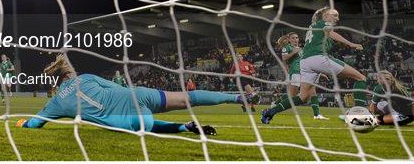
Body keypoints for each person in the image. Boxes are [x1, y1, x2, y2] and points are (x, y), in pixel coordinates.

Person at [15, 54, 251, 135]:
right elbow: (117, 89)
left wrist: (23, 123)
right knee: (186, 98)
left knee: (142, 121)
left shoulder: (56, 103)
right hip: (138, 94)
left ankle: (182, 128)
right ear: (69, 73)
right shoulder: (85, 77)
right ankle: (238, 97)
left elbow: (36, 124)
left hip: (128, 117)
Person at [262, 7, 365, 124]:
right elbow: (331, 33)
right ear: (325, 16)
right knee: (361, 77)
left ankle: (269, 112)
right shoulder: (323, 23)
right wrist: (351, 44)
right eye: (334, 15)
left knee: (303, 97)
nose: (337, 18)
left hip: (305, 62)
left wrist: (320, 71)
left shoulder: (313, 28)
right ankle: (359, 115)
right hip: (318, 58)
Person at [272, 32, 328, 120]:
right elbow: (284, 58)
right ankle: (275, 105)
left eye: (297, 38)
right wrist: (293, 52)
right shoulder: (287, 48)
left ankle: (317, 114)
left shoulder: (301, 49)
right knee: (292, 96)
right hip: (295, 72)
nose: (295, 40)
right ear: (289, 40)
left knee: (312, 92)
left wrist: (320, 73)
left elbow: (307, 62)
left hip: (306, 72)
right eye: (293, 38)